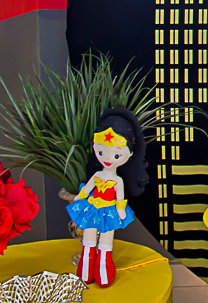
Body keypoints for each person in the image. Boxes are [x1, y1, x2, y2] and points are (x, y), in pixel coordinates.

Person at [67, 108, 149, 288]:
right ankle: (85, 272)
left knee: (105, 241)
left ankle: (103, 273)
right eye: (101, 152)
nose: (108, 159)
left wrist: (120, 210)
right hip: (91, 208)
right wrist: (79, 197)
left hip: (108, 210)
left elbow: (120, 198)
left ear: (130, 154)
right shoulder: (97, 175)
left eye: (117, 155)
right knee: (88, 240)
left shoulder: (118, 181)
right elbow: (87, 189)